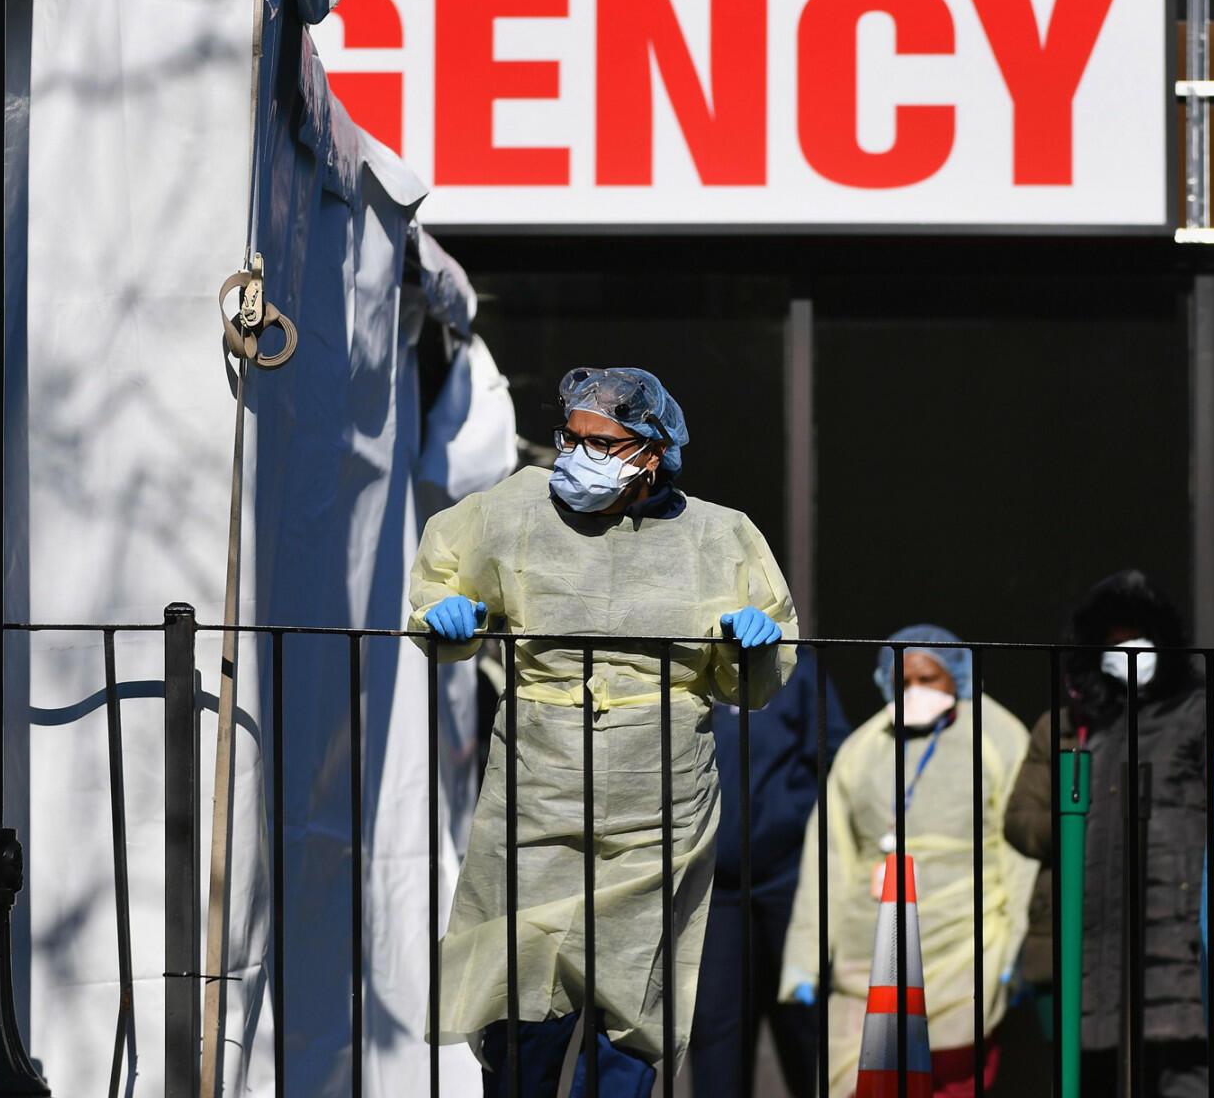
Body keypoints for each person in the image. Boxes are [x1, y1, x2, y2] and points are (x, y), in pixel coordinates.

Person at [410, 366, 797, 1098]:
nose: (577, 456)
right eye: (572, 439)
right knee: (518, 992)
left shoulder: (721, 536)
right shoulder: (513, 510)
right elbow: (441, 583)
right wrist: (446, 618)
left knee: (632, 1000)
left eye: (603, 443)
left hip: (662, 799)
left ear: (653, 453)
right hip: (539, 788)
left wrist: (755, 645)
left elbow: (752, 677)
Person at [779, 626, 1038, 1098]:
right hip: (867, 955)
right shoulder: (864, 749)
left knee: (951, 1079)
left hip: (965, 951)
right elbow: (830, 856)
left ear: (957, 677)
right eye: (903, 681)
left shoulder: (998, 738)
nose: (914, 691)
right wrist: (804, 959)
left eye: (928, 678)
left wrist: (1016, 945)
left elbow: (1020, 854)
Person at [1004, 570, 1211, 1098]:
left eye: (1137, 637)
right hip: (1092, 930)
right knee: (1095, 1070)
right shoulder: (1076, 724)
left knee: (1183, 1070)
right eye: (1114, 642)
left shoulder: (1201, 709)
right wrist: (1077, 826)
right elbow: (1019, 819)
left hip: (1178, 930)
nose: (1127, 651)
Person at [690, 651, 851, 1098]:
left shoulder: (798, 666)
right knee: (717, 1036)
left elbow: (835, 755)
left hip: (791, 880)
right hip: (715, 889)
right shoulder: (693, 662)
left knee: (807, 1028)